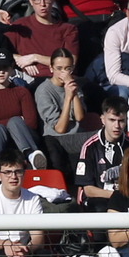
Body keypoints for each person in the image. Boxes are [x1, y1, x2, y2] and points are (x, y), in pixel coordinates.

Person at [0, 49, 48, 176]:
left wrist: (14, 121)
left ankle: (31, 156)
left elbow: (31, 123)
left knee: (13, 122)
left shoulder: (21, 92)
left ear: (11, 68)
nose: (1, 72)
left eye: (4, 67)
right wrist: (17, 118)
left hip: (24, 137)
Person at [77, 96, 129, 212]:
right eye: (112, 120)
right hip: (99, 201)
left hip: (127, 199)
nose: (117, 126)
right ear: (103, 119)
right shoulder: (89, 147)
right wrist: (115, 195)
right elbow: (88, 190)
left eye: (121, 121)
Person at [36, 48, 89, 177]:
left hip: (76, 136)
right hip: (55, 138)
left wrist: (73, 92)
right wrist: (67, 98)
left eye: (68, 68)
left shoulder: (75, 87)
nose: (64, 73)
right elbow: (60, 128)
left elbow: (80, 117)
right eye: (59, 68)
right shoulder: (44, 90)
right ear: (51, 68)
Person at [5, 0, 80, 81]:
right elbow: (1, 51)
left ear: (53, 0)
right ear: (31, 1)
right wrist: (20, 59)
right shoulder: (20, 26)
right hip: (33, 80)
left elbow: (71, 63)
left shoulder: (68, 29)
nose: (42, 4)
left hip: (64, 80)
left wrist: (35, 57)